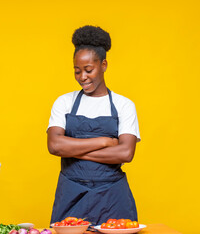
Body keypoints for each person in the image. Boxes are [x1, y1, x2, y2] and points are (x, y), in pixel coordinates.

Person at [47, 26, 140, 225]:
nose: (83, 77)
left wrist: (72, 150)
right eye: (77, 71)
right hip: (71, 194)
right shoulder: (64, 102)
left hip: (113, 196)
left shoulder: (124, 105)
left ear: (104, 65)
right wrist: (105, 141)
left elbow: (125, 153)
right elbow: (54, 146)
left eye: (89, 70)